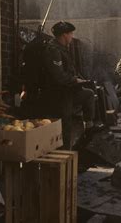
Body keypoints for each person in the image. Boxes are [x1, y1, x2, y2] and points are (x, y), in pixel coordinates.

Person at [41, 21, 98, 149]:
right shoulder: (53, 50)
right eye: (71, 33)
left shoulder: (63, 49)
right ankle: (65, 153)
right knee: (64, 125)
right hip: (58, 94)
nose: (72, 36)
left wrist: (79, 80)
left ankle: (88, 127)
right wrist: (75, 80)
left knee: (89, 94)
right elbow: (59, 76)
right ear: (64, 35)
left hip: (68, 91)